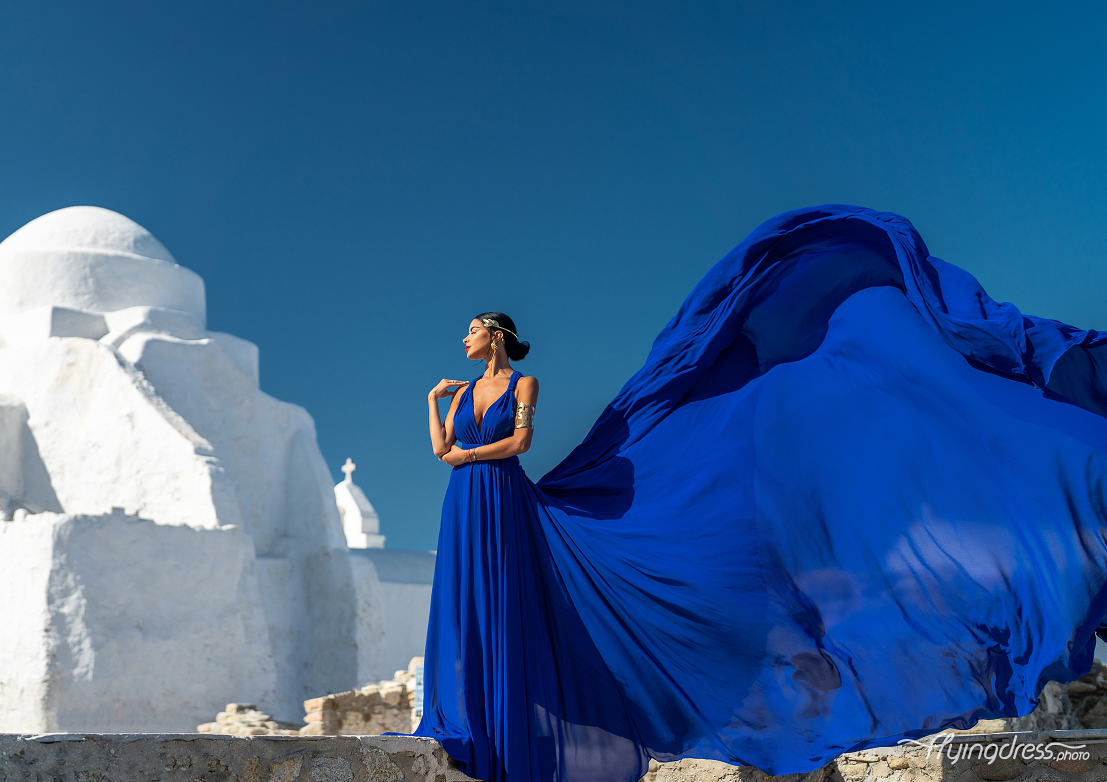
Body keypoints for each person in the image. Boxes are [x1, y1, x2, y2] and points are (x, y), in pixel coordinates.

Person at [415, 205, 1107, 782]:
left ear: (497, 335)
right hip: (467, 496)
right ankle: (475, 714)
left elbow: (516, 447)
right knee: (475, 602)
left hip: (500, 488)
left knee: (511, 592)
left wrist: (471, 449)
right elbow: (445, 451)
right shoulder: (462, 391)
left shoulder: (519, 386)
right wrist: (437, 403)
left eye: (474, 328)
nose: (466, 337)